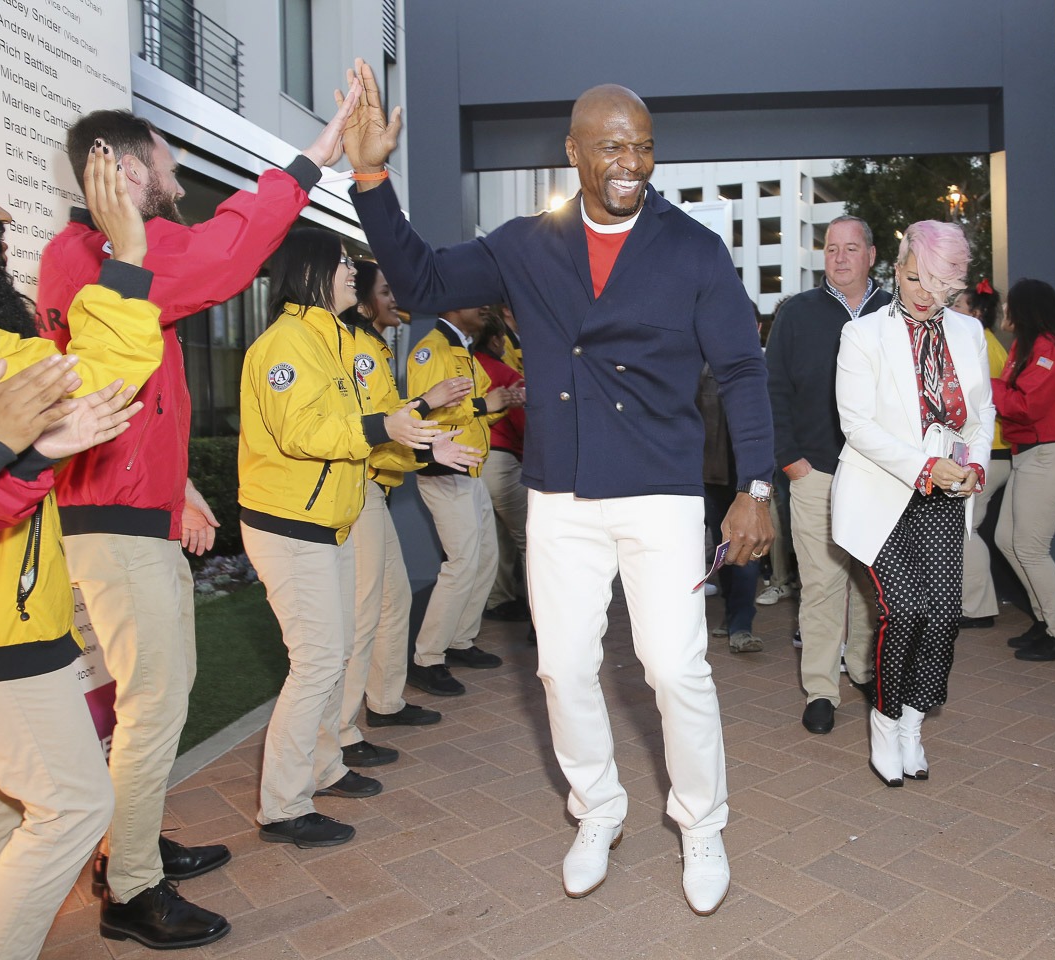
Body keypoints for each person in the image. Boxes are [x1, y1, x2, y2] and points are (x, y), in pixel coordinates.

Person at [342, 60, 773, 916]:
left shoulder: (691, 247)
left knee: (674, 667)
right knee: (563, 666)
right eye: (613, 145)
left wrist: (755, 482)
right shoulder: (524, 245)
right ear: (573, 152)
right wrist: (370, 180)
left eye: (645, 147)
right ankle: (598, 808)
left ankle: (702, 821)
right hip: (561, 495)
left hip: (659, 493)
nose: (631, 163)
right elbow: (423, 282)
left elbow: (739, 368)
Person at [35, 85, 360, 946]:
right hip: (112, 521)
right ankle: (130, 889)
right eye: (167, 157)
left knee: (155, 697)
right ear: (130, 168)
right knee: (155, 701)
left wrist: (177, 484)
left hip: (129, 509)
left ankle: (128, 846)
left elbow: (127, 388)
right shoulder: (103, 253)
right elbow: (224, 254)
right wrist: (313, 158)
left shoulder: (96, 255)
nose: (178, 171)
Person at [0, 138, 163, 958]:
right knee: (76, 807)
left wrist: (126, 259)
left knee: (4, 814)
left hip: (15, 616)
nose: (4, 213)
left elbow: (85, 386)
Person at [239, 230, 460, 849]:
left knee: (329, 656)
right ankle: (283, 807)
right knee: (315, 663)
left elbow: (364, 421)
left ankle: (323, 766)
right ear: (309, 272)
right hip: (291, 526)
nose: (350, 274)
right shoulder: (285, 344)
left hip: (326, 522)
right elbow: (301, 431)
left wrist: (418, 437)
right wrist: (382, 424)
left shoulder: (330, 339)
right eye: (340, 264)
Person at [831, 220, 993, 786]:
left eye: (939, 285)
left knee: (945, 614)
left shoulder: (970, 333)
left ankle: (913, 724)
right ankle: (885, 717)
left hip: (947, 491)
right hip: (883, 492)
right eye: (915, 277)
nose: (925, 293)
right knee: (905, 609)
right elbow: (857, 426)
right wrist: (923, 465)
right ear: (896, 268)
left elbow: (982, 414)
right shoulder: (863, 335)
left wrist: (974, 463)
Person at [335, 260, 473, 767]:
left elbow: (385, 423)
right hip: (358, 489)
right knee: (365, 612)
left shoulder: (371, 344)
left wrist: (426, 436)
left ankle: (385, 703)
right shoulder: (351, 346)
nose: (395, 299)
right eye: (385, 291)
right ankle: (343, 732)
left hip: (375, 487)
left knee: (391, 603)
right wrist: (426, 411)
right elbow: (372, 426)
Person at [766, 215, 889, 734]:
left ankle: (862, 669)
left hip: (884, 477)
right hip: (815, 470)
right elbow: (772, 391)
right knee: (820, 583)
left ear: (871, 254)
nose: (839, 257)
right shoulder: (796, 313)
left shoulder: (896, 311)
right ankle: (821, 688)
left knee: (872, 583)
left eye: (850, 247)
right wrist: (791, 460)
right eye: (831, 248)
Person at [404, 306, 520, 696]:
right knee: (461, 564)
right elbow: (426, 409)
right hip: (443, 471)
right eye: (478, 303)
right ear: (453, 306)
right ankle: (427, 658)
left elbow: (474, 414)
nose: (487, 310)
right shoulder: (431, 349)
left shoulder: (461, 349)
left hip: (468, 470)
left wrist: (502, 401)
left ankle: (460, 641)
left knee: (484, 557)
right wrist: (486, 406)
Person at [991, 279, 1055, 661]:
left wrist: (982, 387)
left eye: (1010, 306)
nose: (1005, 312)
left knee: (1030, 548)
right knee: (1007, 539)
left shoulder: (1050, 348)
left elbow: (1025, 405)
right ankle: (1045, 619)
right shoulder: (1028, 346)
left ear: (1025, 310)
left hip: (1053, 454)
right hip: (1030, 454)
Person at [952, 279, 1009, 630]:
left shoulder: (980, 345)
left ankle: (978, 606)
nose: (950, 311)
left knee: (964, 528)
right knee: (964, 527)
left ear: (974, 313)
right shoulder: (985, 343)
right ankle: (974, 603)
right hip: (992, 451)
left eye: (957, 306)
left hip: (990, 452)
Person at [472, 305, 531, 625]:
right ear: (496, 340)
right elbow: (524, 425)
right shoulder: (506, 374)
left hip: (474, 460)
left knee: (496, 537)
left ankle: (499, 599)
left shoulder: (469, 365)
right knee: (528, 538)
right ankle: (543, 617)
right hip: (502, 460)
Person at [699, 361, 762, 652]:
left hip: (748, 480)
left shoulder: (759, 368)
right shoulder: (700, 371)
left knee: (748, 553)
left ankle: (741, 626)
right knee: (723, 553)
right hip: (712, 476)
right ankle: (730, 612)